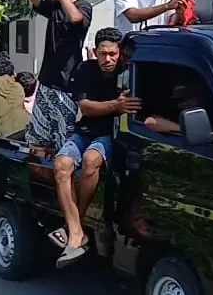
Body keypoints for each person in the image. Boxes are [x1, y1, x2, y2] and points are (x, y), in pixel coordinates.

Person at [52, 27, 138, 266]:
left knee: (91, 160)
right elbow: (86, 107)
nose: (107, 59)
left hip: (111, 135)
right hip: (85, 130)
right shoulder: (85, 69)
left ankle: (75, 226)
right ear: (95, 51)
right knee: (61, 165)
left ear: (119, 52)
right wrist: (115, 105)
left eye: (112, 54)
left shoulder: (129, 73)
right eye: (102, 54)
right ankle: (76, 230)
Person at [26, 0, 92, 151]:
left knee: (63, 141)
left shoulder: (83, 6)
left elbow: (76, 19)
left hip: (67, 86)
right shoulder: (54, 7)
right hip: (46, 82)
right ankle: (40, 177)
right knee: (38, 140)